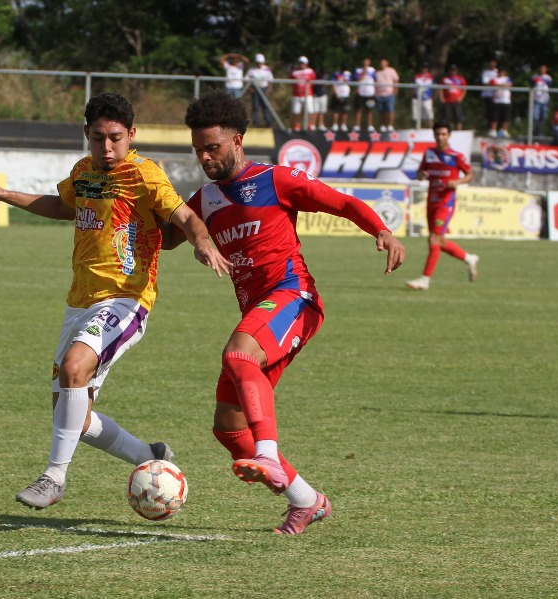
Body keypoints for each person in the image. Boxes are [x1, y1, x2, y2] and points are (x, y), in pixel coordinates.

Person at [0, 93, 230, 511]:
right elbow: (64, 205)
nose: (106, 149)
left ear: (132, 135)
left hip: (126, 300)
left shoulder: (145, 175)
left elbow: (185, 217)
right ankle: (150, 456)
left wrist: (202, 243)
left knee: (74, 368)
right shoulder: (83, 172)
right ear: (86, 136)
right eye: (97, 139)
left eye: (114, 138)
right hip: (80, 302)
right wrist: (2, 194)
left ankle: (54, 478)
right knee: (73, 415)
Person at [164, 89, 405, 534]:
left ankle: (269, 456)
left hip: (294, 297)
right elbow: (166, 237)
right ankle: (308, 501)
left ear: (237, 140)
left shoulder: (275, 179)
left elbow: (343, 202)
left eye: (212, 147)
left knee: (239, 355)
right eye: (197, 148)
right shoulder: (205, 199)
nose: (204, 156)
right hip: (259, 312)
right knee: (229, 428)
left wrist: (383, 231)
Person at [406, 121, 478, 291]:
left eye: (443, 134)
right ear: (434, 135)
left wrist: (458, 182)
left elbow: (470, 175)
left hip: (446, 203)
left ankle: (425, 280)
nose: (440, 137)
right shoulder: (429, 153)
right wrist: (421, 175)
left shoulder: (455, 156)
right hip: (432, 201)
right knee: (438, 242)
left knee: (434, 240)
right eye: (438, 134)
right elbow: (419, 174)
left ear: (449, 135)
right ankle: (469, 258)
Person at [245, 53, 274, 127]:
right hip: (255, 90)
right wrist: (249, 89)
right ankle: (256, 123)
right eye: (258, 62)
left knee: (265, 106)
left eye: (260, 62)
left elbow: (271, 81)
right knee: (255, 106)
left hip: (264, 89)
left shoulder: (267, 69)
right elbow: (245, 79)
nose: (259, 64)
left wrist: (268, 90)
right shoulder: (251, 70)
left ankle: (268, 122)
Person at [290, 56, 316, 131]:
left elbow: (313, 81)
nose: (301, 65)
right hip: (296, 95)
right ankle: (296, 125)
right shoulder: (294, 72)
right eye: (300, 63)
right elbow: (291, 81)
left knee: (310, 110)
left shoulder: (310, 71)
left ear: (306, 64)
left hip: (308, 94)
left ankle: (310, 124)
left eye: (303, 63)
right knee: (296, 111)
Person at [375, 58, 400, 132]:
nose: (382, 64)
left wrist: (395, 91)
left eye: (383, 62)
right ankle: (382, 125)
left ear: (387, 63)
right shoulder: (377, 72)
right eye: (381, 62)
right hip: (380, 94)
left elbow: (396, 80)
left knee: (390, 110)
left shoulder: (391, 70)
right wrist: (375, 93)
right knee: (381, 111)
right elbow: (375, 83)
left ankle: (390, 125)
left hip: (389, 93)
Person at [353, 57, 377, 133]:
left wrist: (375, 90)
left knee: (369, 109)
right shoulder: (358, 70)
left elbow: (375, 80)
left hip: (370, 92)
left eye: (367, 61)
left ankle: (370, 126)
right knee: (358, 109)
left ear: (369, 62)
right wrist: (363, 72)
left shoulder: (372, 70)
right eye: (364, 61)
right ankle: (357, 125)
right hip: (361, 92)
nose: (366, 62)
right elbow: (357, 79)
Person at [440, 65, 467, 131]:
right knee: (445, 118)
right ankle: (445, 131)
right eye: (451, 70)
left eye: (454, 70)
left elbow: (465, 88)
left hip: (456, 100)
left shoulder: (460, 79)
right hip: (447, 100)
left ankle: (459, 132)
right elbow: (440, 89)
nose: (453, 72)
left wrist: (461, 97)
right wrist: (441, 98)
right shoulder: (445, 79)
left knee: (458, 117)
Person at [489, 67, 513, 138]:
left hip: (506, 100)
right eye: (500, 72)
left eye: (502, 72)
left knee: (505, 117)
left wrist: (500, 85)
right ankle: (493, 130)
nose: (501, 73)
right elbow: (493, 85)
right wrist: (502, 85)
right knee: (494, 117)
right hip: (497, 100)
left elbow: (509, 85)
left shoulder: (507, 78)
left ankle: (505, 131)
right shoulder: (494, 79)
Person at [531, 65, 553, 137]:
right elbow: (531, 86)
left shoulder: (548, 78)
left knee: (543, 117)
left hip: (545, 100)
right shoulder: (535, 77)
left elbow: (550, 88)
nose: (542, 70)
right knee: (535, 117)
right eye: (541, 68)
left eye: (544, 69)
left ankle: (540, 132)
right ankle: (534, 131)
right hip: (536, 99)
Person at [412, 62, 435, 129]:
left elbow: (435, 87)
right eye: (423, 67)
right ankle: (420, 128)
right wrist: (413, 95)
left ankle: (431, 128)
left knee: (429, 113)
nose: (424, 69)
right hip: (417, 97)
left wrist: (433, 96)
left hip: (427, 98)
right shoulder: (416, 76)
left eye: (426, 67)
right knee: (418, 114)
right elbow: (412, 86)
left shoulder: (431, 77)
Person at [330, 65, 352, 132]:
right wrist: (335, 93)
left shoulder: (348, 74)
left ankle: (343, 125)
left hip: (345, 94)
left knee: (345, 110)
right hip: (338, 94)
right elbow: (333, 83)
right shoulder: (336, 73)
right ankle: (335, 125)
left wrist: (346, 80)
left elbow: (351, 83)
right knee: (336, 110)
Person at [481, 59, 499, 131]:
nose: (492, 65)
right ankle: (488, 128)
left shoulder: (497, 72)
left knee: (495, 112)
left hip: (497, 96)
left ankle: (495, 128)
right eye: (491, 64)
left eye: (494, 64)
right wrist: (493, 83)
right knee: (489, 112)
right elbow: (485, 82)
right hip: (487, 94)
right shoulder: (485, 72)